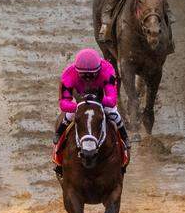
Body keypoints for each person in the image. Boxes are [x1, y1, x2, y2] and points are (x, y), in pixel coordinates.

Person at [52, 48, 129, 176]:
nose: (88, 78)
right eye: (84, 75)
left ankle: (125, 140)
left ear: (99, 70)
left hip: (100, 101)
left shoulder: (108, 70)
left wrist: (95, 103)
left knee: (115, 115)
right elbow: (64, 103)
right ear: (77, 72)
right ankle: (58, 145)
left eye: (92, 75)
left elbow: (112, 100)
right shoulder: (68, 75)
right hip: (80, 102)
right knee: (68, 116)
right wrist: (79, 107)